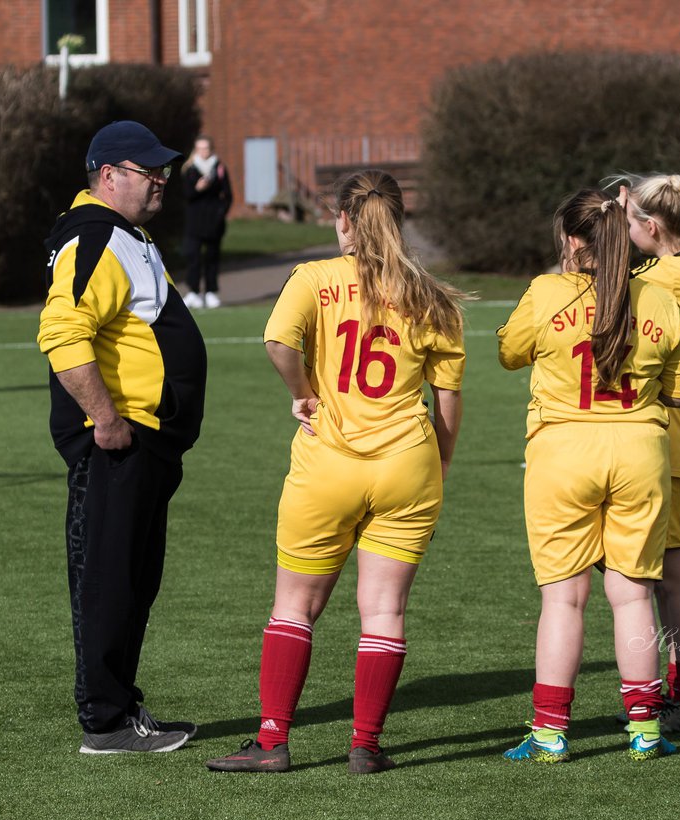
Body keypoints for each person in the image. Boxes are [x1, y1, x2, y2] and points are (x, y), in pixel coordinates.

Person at [206, 170, 466, 775]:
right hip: (408, 466)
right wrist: (442, 457)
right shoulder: (430, 293)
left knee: (294, 606)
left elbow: (277, 341)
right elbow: (447, 397)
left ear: (343, 220)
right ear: (397, 220)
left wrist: (301, 392)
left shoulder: (314, 278)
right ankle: (366, 744)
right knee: (384, 612)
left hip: (328, 463)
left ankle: (273, 741)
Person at [497, 185, 680, 764]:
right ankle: (645, 731)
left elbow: (509, 351)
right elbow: (679, 395)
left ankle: (551, 734)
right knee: (632, 597)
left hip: (563, 451)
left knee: (564, 601)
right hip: (641, 451)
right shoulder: (660, 299)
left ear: (571, 239)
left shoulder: (546, 292)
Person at [36, 120, 207, 754]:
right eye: (148, 170)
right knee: (109, 578)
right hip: (118, 445)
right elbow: (62, 335)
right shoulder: (95, 238)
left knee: (133, 580)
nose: (162, 179)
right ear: (108, 176)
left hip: (145, 443)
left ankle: (120, 707)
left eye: (164, 169)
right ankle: (104, 720)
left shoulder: (124, 234)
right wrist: (105, 420)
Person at [623, 173, 680, 734]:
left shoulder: (664, 276)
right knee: (664, 577)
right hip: (677, 421)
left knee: (675, 576)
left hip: (669, 427)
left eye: (630, 221)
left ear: (651, 227)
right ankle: (677, 697)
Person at [181, 135, 233, 309]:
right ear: (196, 150)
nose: (203, 151)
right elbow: (186, 195)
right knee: (192, 256)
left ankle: (211, 292)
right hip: (194, 221)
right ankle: (193, 292)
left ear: (211, 149)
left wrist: (221, 212)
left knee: (212, 257)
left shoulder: (219, 168)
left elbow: (228, 195)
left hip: (213, 222)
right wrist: (197, 189)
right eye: (200, 148)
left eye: (206, 148)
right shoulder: (189, 169)